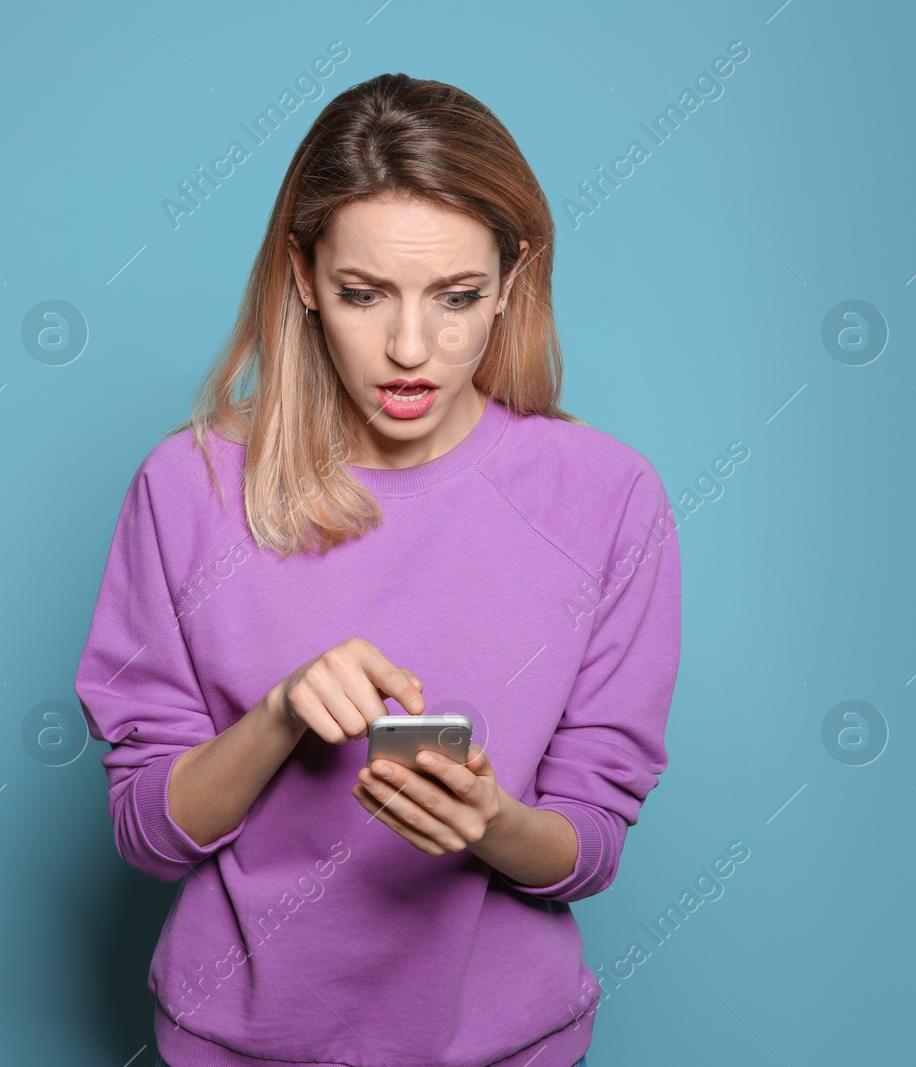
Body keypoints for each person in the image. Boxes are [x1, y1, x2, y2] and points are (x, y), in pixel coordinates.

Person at [74, 71, 680, 1067]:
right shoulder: (186, 487)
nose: (411, 348)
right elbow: (149, 832)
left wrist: (493, 824)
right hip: (235, 1041)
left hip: (504, 1045)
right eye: (364, 295)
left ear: (512, 279)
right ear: (303, 275)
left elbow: (590, 840)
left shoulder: (608, 496)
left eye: (456, 297)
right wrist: (276, 718)